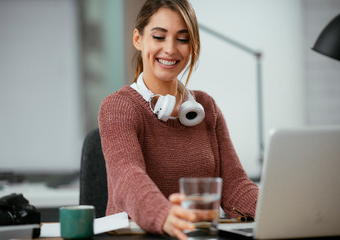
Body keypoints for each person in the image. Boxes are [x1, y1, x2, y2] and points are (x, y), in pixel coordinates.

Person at [98, 0, 259, 239]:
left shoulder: (206, 108)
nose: (171, 49)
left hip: (197, 235)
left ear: (192, 46)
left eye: (182, 39)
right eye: (159, 37)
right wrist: (165, 215)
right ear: (138, 39)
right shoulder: (119, 106)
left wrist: (281, 209)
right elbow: (127, 177)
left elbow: (235, 184)